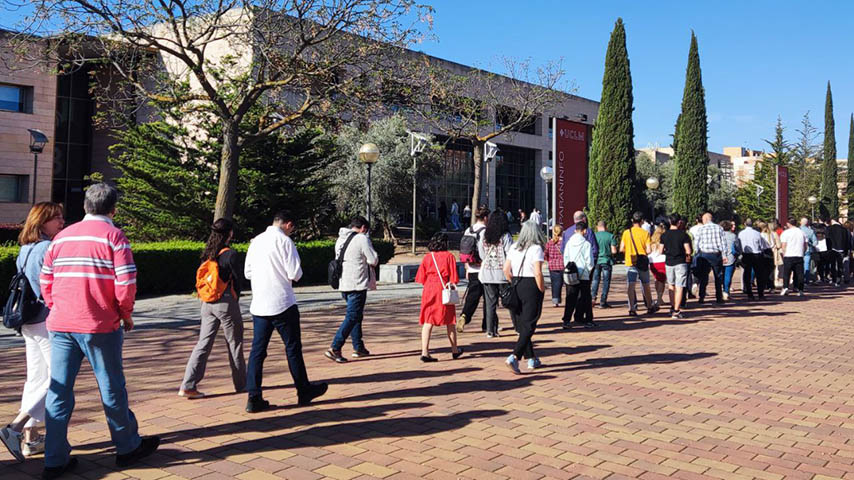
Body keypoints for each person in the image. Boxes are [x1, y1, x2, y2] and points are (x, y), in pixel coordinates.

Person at [39, 184, 159, 478]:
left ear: (85, 207)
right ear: (113, 209)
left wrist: (57, 306)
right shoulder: (115, 237)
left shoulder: (61, 238)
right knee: (111, 386)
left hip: (62, 323)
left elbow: (46, 281)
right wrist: (124, 314)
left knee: (58, 391)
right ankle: (126, 447)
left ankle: (54, 459)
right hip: (99, 324)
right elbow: (126, 284)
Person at [244, 210, 328, 413]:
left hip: (260, 304)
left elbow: (247, 272)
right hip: (282, 302)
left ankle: (253, 397)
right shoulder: (285, 242)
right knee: (292, 348)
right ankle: (303, 389)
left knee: (257, 351)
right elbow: (295, 273)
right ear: (288, 225)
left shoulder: (256, 241)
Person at [0, 202, 63, 463]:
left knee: (36, 377)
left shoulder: (25, 249)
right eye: (56, 218)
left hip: (27, 320)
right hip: (45, 319)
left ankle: (30, 438)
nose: (61, 222)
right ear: (42, 222)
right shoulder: (47, 248)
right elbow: (47, 288)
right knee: (58, 377)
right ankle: (15, 428)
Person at [179, 219, 246, 399]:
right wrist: (235, 296)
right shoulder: (230, 254)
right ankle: (242, 385)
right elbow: (239, 280)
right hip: (225, 302)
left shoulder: (208, 253)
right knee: (235, 343)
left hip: (207, 302)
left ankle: (188, 384)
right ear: (229, 233)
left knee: (203, 343)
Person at [325, 216, 378, 363]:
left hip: (344, 283)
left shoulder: (341, 239)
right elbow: (373, 259)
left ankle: (358, 347)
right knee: (352, 316)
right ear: (363, 228)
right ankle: (335, 347)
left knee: (356, 315)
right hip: (357, 283)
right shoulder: (362, 239)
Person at [503, 221, 546, 373]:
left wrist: (513, 281)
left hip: (516, 282)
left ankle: (532, 358)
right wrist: (542, 289)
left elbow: (506, 269)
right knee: (530, 324)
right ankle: (515, 356)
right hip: (531, 285)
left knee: (522, 324)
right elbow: (537, 272)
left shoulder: (514, 247)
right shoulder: (536, 248)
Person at [415, 232, 463, 362]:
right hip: (443, 287)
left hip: (429, 288)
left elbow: (420, 277)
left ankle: (425, 351)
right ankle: (454, 349)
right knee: (450, 320)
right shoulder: (449, 256)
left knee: (428, 320)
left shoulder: (427, 257)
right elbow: (454, 278)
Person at [478, 211, 513, 337]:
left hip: (487, 274)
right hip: (502, 274)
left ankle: (490, 330)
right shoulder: (505, 235)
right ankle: (518, 325)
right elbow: (510, 253)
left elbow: (482, 254)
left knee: (490, 303)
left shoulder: (484, 235)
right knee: (510, 301)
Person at [459, 207, 489, 332]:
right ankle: (487, 323)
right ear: (486, 217)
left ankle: (464, 315)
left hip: (471, 267)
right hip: (482, 268)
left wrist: (466, 267)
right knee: (488, 298)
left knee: (472, 296)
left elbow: (464, 250)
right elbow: (483, 251)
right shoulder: (485, 231)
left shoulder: (468, 230)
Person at [620, 211, 654, 316]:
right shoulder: (645, 234)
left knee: (631, 285)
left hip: (630, 261)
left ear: (632, 220)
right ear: (642, 221)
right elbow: (648, 250)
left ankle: (632, 308)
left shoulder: (626, 233)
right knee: (645, 284)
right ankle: (649, 306)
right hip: (642, 262)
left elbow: (621, 248)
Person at [562, 221, 595, 328]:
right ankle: (588, 319)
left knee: (570, 297)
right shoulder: (586, 244)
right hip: (583, 274)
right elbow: (589, 261)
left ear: (575, 230)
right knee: (585, 297)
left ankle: (566, 320)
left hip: (571, 273)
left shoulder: (569, 243)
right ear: (584, 231)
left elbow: (565, 257)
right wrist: (588, 271)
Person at [661, 214, 692, 318]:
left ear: (670, 222)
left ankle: (672, 307)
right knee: (680, 286)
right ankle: (677, 310)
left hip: (669, 262)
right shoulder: (683, 235)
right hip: (680, 262)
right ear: (679, 222)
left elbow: (660, 250)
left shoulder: (664, 235)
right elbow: (688, 250)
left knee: (671, 285)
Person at [694, 212, 726, 304]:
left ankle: (701, 296)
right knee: (718, 276)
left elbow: (697, 243)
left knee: (704, 277)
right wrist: (724, 255)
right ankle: (719, 297)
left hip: (704, 254)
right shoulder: (719, 228)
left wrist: (697, 253)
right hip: (716, 254)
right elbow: (722, 243)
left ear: (705, 219)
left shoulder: (701, 229)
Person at [738, 219, 770, 300]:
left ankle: (749, 293)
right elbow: (762, 246)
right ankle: (760, 294)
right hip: (757, 255)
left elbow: (738, 245)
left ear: (745, 224)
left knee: (747, 274)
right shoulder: (757, 233)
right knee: (759, 275)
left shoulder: (741, 233)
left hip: (746, 255)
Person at [591, 220, 617, 308]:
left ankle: (593, 298)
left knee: (595, 280)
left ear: (597, 227)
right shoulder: (610, 236)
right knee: (606, 281)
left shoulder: (594, 236)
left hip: (597, 260)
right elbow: (614, 251)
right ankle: (603, 301)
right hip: (607, 260)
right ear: (606, 227)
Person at [780, 217, 807, 296]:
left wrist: (784, 253)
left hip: (789, 255)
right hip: (799, 255)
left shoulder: (786, 233)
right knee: (799, 274)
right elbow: (805, 245)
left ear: (788, 223)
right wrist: (803, 252)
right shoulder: (802, 232)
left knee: (786, 273)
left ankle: (785, 287)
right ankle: (800, 289)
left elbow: (784, 245)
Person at [543, 225, 564, 307]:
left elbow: (545, 254)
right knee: (563, 283)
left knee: (555, 283)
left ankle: (556, 300)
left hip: (552, 265)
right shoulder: (564, 242)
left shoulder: (549, 243)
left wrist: (549, 260)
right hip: (562, 265)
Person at [649, 221, 668, 310]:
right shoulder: (664, 239)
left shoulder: (652, 242)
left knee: (657, 279)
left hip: (652, 261)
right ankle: (659, 297)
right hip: (662, 261)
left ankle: (659, 296)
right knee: (662, 280)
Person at [828, 217, 849, 287]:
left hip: (832, 249)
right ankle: (839, 279)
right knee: (840, 265)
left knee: (833, 264)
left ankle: (834, 279)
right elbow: (847, 241)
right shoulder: (844, 229)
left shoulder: (830, 229)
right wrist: (846, 250)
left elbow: (828, 240)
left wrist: (828, 249)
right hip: (841, 249)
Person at [720, 220, 739, 300]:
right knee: (728, 275)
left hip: (720, 257)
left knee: (721, 275)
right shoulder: (733, 236)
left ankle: (720, 290)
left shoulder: (719, 235)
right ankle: (726, 291)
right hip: (730, 257)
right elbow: (737, 246)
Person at [799, 218, 817, 284]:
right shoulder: (810, 231)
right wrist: (811, 244)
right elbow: (815, 242)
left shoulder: (798, 230)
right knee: (806, 264)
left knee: (799, 265)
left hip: (799, 249)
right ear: (807, 223)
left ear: (800, 222)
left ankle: (799, 279)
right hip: (808, 249)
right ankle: (806, 280)